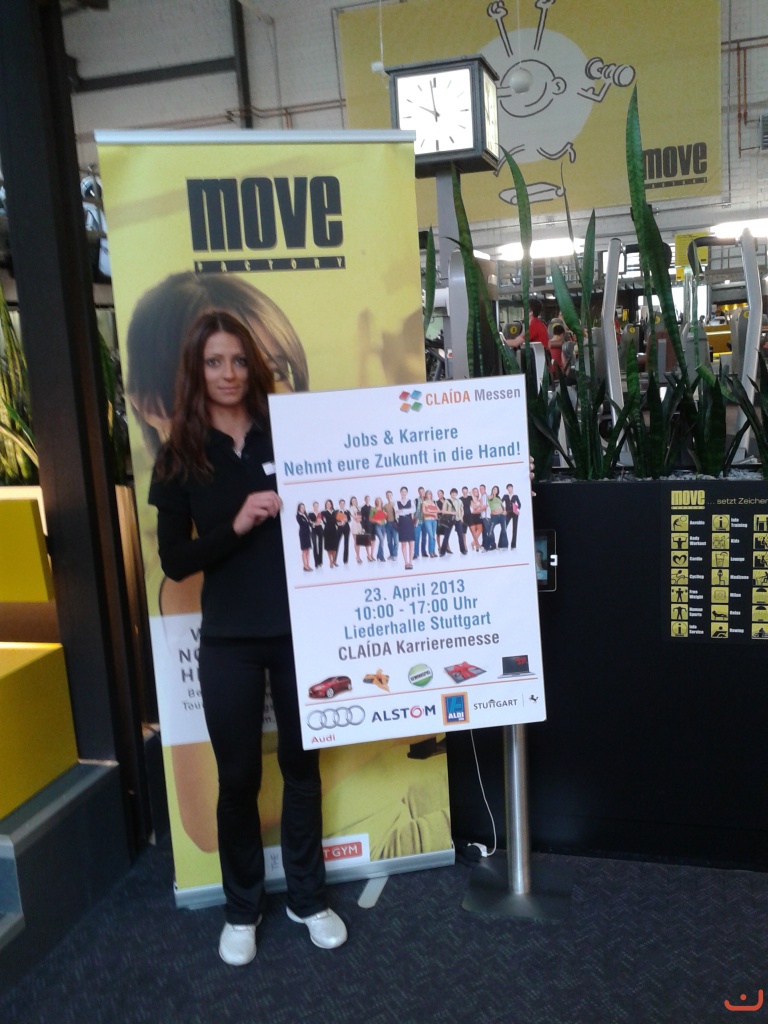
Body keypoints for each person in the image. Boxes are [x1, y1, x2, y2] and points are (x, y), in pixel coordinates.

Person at [148, 310, 346, 966]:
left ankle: (308, 898)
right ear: (196, 370)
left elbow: (359, 480)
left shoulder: (290, 430)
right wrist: (235, 526)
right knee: (237, 777)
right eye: (214, 362)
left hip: (300, 633)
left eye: (237, 360)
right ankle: (241, 909)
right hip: (229, 640)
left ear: (252, 365)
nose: (228, 373)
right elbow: (175, 561)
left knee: (302, 767)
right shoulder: (180, 454)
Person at [396, 486, 415, 569]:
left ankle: (411, 562)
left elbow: (413, 510)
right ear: (400, 493)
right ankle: (406, 562)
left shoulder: (410, 501)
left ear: (407, 493)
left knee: (411, 543)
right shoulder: (397, 502)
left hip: (409, 522)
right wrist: (407, 511)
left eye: (405, 492)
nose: (403, 493)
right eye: (402, 492)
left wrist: (403, 510)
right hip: (402, 523)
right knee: (403, 543)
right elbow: (397, 512)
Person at [502, 483, 521, 549]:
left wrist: (517, 510)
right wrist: (504, 510)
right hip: (508, 513)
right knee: (504, 527)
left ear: (512, 488)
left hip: (514, 513)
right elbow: (500, 503)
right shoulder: (505, 496)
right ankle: (503, 544)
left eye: (510, 487)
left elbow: (519, 504)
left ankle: (513, 545)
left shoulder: (515, 496)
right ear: (507, 489)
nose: (509, 489)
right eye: (508, 488)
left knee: (515, 528)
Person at [322, 499, 339, 568]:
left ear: (331, 505)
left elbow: (338, 521)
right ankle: (330, 561)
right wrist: (330, 520)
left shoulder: (335, 512)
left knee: (334, 548)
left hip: (334, 531)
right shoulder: (323, 512)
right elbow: (324, 521)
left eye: (329, 504)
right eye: (327, 504)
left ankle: (334, 561)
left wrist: (341, 522)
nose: (328, 505)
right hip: (327, 531)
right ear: (326, 505)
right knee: (329, 548)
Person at [296, 503, 312, 572]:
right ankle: (305, 566)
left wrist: (313, 524)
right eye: (301, 507)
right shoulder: (298, 516)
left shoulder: (305, 515)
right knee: (304, 550)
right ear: (299, 509)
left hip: (307, 533)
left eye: (303, 507)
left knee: (308, 550)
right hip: (303, 534)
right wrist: (309, 522)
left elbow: (309, 523)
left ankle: (308, 565)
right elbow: (304, 523)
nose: (303, 509)